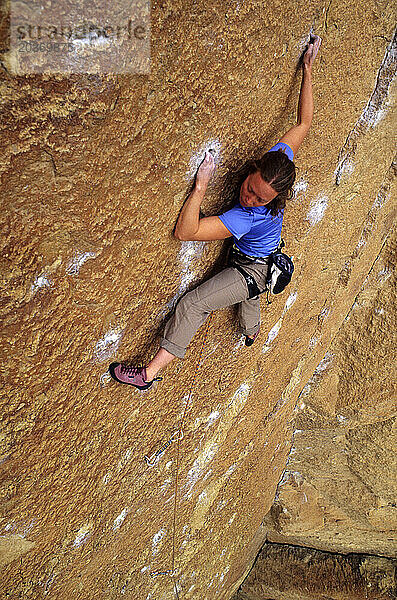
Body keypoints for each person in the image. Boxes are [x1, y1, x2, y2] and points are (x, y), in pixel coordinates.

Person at [109, 35, 322, 390]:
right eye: (250, 189)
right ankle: (252, 332)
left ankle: (148, 375)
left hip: (250, 265)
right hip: (261, 255)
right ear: (257, 167)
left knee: (195, 303)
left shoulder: (247, 216)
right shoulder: (280, 162)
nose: (249, 197)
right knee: (249, 300)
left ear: (275, 199)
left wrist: (201, 188)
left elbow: (186, 232)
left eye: (260, 199)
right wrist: (308, 68)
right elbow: (304, 123)